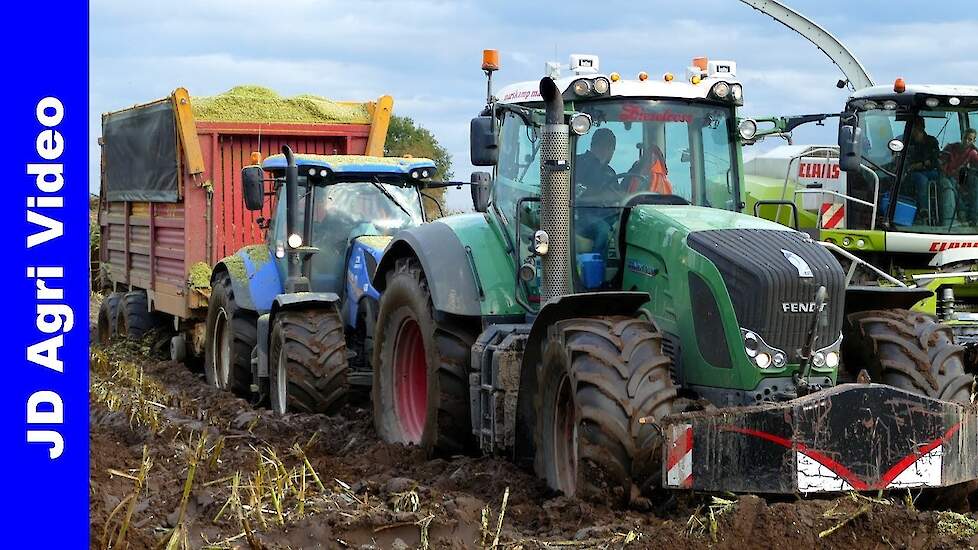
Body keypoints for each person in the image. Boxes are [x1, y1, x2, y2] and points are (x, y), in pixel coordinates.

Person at [573, 127, 622, 260]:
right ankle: (594, 268)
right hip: (581, 215)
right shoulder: (578, 163)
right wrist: (602, 196)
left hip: (608, 214)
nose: (611, 153)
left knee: (632, 225)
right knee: (603, 231)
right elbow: (575, 192)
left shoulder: (610, 172)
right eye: (610, 149)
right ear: (601, 147)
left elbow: (616, 196)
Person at [905, 117, 941, 223]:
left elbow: (935, 160)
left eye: (912, 128)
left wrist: (919, 165)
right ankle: (923, 210)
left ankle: (927, 210)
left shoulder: (932, 141)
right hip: (913, 174)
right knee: (921, 179)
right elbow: (904, 161)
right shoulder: (907, 142)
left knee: (942, 179)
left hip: (931, 172)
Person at [941, 128, 978, 224]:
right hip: (946, 176)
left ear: (974, 141)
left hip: (961, 178)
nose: (966, 141)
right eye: (965, 137)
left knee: (974, 182)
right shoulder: (951, 148)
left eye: (970, 139)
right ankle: (962, 212)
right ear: (962, 136)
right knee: (952, 183)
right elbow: (940, 162)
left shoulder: (973, 152)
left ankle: (973, 218)